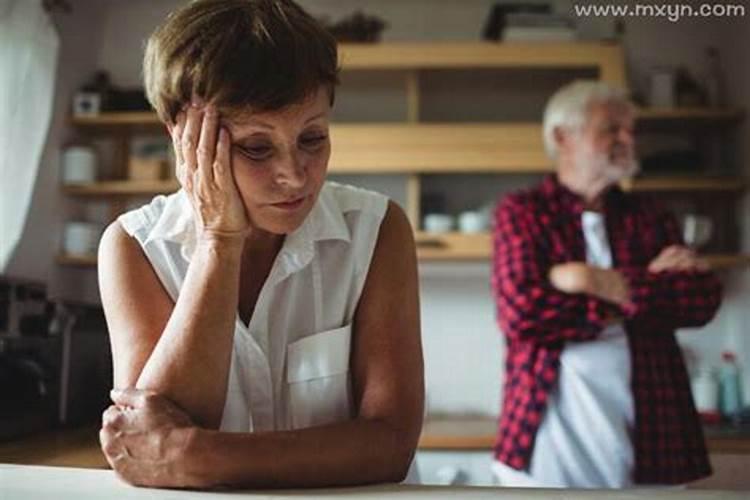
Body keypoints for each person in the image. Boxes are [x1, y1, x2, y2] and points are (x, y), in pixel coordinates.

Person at [97, 0, 423, 489]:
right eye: (256, 146)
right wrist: (218, 241)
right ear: (182, 137)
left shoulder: (378, 231)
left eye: (312, 138)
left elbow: (392, 444)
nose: (294, 176)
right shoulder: (133, 246)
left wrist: (200, 455)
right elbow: (150, 447)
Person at [491, 81, 722, 488]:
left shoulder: (651, 215)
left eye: (631, 129)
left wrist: (586, 280)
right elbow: (523, 313)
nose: (628, 138)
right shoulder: (522, 212)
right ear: (563, 137)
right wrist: (644, 290)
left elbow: (699, 299)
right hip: (550, 437)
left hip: (655, 433)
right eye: (612, 128)